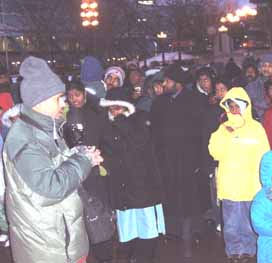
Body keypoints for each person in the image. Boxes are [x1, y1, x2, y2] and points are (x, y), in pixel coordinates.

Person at [2, 56, 104, 263]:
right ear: (41, 100)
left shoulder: (45, 128)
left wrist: (81, 153)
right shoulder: (23, 137)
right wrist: (83, 161)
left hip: (62, 237)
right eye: (59, 98)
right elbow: (50, 185)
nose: (64, 103)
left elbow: (54, 162)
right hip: (47, 247)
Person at [150, 64, 210, 260]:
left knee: (191, 198)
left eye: (166, 81)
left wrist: (201, 161)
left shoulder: (195, 101)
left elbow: (202, 133)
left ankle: (193, 233)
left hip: (190, 160)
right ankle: (174, 231)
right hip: (168, 160)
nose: (163, 84)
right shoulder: (160, 103)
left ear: (177, 83)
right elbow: (155, 133)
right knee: (172, 195)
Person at [101, 92, 165, 263]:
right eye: (112, 108)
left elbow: (139, 142)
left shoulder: (140, 120)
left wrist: (122, 121)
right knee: (128, 229)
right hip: (123, 187)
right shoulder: (107, 126)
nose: (115, 112)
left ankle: (145, 257)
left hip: (143, 185)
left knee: (147, 227)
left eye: (119, 107)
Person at [209, 88, 270, 263]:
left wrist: (264, 181)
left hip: (251, 185)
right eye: (231, 105)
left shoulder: (257, 128)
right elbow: (215, 152)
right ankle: (234, 250)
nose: (234, 109)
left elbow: (264, 154)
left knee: (249, 222)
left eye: (238, 105)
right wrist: (225, 135)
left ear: (245, 106)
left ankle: (249, 249)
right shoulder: (222, 128)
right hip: (230, 185)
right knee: (231, 223)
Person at [64, 80, 113, 263]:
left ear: (84, 94)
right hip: (76, 172)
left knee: (98, 211)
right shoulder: (66, 116)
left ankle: (104, 253)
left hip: (95, 170)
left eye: (76, 94)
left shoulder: (96, 113)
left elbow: (105, 139)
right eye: (70, 96)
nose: (73, 99)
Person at [245, 54, 272, 122]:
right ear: (260, 68)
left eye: (270, 66)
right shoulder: (251, 86)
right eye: (264, 65)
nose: (266, 69)